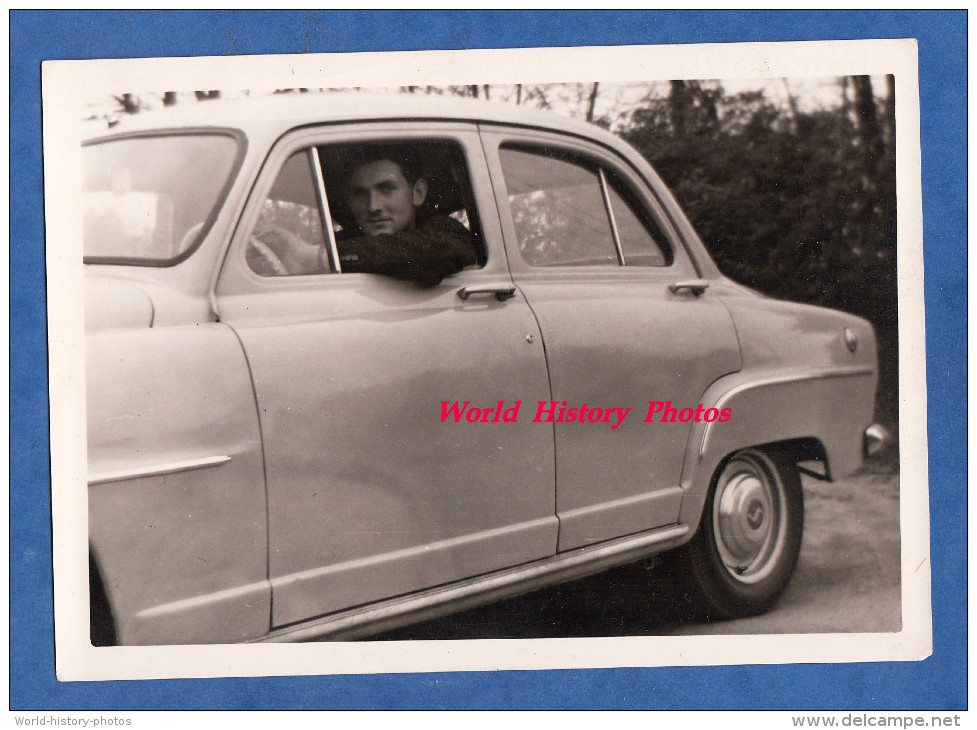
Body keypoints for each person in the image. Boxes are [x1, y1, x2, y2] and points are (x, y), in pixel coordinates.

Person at [252, 144, 476, 286]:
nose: (373, 206)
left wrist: (319, 259)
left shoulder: (445, 233)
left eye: (386, 188)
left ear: (417, 193)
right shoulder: (342, 243)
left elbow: (441, 251)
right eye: (360, 194)